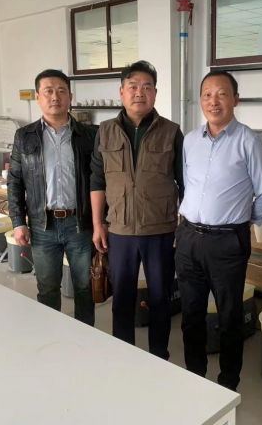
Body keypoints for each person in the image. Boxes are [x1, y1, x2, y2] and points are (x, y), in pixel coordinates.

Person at [176, 70, 262, 391]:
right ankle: (194, 376)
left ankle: (227, 384)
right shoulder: (190, 141)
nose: (213, 101)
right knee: (191, 313)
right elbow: (187, 186)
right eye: (207, 94)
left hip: (227, 242)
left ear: (236, 99)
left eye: (221, 94)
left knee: (229, 316)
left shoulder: (250, 141)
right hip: (188, 238)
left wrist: (239, 222)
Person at [90, 60, 184, 360]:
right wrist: (98, 224)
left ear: (155, 93)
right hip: (119, 230)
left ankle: (159, 356)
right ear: (121, 92)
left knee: (160, 298)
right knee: (122, 299)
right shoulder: (105, 131)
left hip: (161, 230)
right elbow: (97, 180)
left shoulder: (171, 132)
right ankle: (124, 357)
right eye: (132, 87)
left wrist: (182, 226)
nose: (139, 93)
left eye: (146, 87)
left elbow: (185, 182)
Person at [8, 69, 96, 325]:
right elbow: (15, 181)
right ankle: (51, 336)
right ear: (38, 97)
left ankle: (85, 336)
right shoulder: (24, 136)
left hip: (80, 223)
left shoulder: (90, 135)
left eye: (61, 91)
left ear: (70, 96)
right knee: (47, 289)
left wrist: (102, 221)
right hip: (42, 224)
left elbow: (100, 181)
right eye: (48, 91)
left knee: (85, 287)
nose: (55, 97)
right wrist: (18, 222)